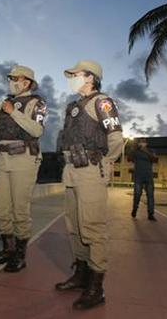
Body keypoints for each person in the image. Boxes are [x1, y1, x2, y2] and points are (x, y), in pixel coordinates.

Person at [55, 60, 123, 310]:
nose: (71, 77)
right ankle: (81, 274)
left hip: (92, 169)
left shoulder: (101, 102)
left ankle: (96, 286)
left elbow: (116, 138)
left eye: (75, 74)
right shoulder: (73, 106)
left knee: (92, 226)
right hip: (72, 170)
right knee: (74, 225)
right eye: (70, 73)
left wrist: (104, 162)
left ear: (90, 77)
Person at [0, 65, 47, 273]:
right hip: (3, 159)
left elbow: (37, 130)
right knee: (1, 208)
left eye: (15, 78)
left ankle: (20, 255)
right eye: (10, 78)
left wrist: (13, 113)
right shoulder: (6, 103)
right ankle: (7, 250)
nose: (11, 81)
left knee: (20, 209)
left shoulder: (37, 103)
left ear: (27, 82)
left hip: (24, 158)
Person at [129, 138, 157, 221]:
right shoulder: (136, 152)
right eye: (140, 142)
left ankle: (151, 214)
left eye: (143, 142)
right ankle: (134, 209)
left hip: (149, 177)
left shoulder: (151, 151)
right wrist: (133, 149)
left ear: (146, 144)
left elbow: (154, 159)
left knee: (150, 196)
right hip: (138, 177)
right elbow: (129, 158)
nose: (142, 143)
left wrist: (145, 151)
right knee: (137, 195)